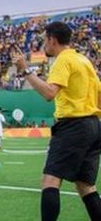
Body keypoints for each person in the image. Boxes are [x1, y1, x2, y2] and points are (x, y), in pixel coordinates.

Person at [12, 21, 101, 221]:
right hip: (93, 125)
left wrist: (26, 70)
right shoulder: (84, 60)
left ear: (52, 40)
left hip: (73, 125)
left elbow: (49, 93)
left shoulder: (63, 60)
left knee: (50, 180)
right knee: (85, 185)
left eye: (45, 40)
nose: (44, 45)